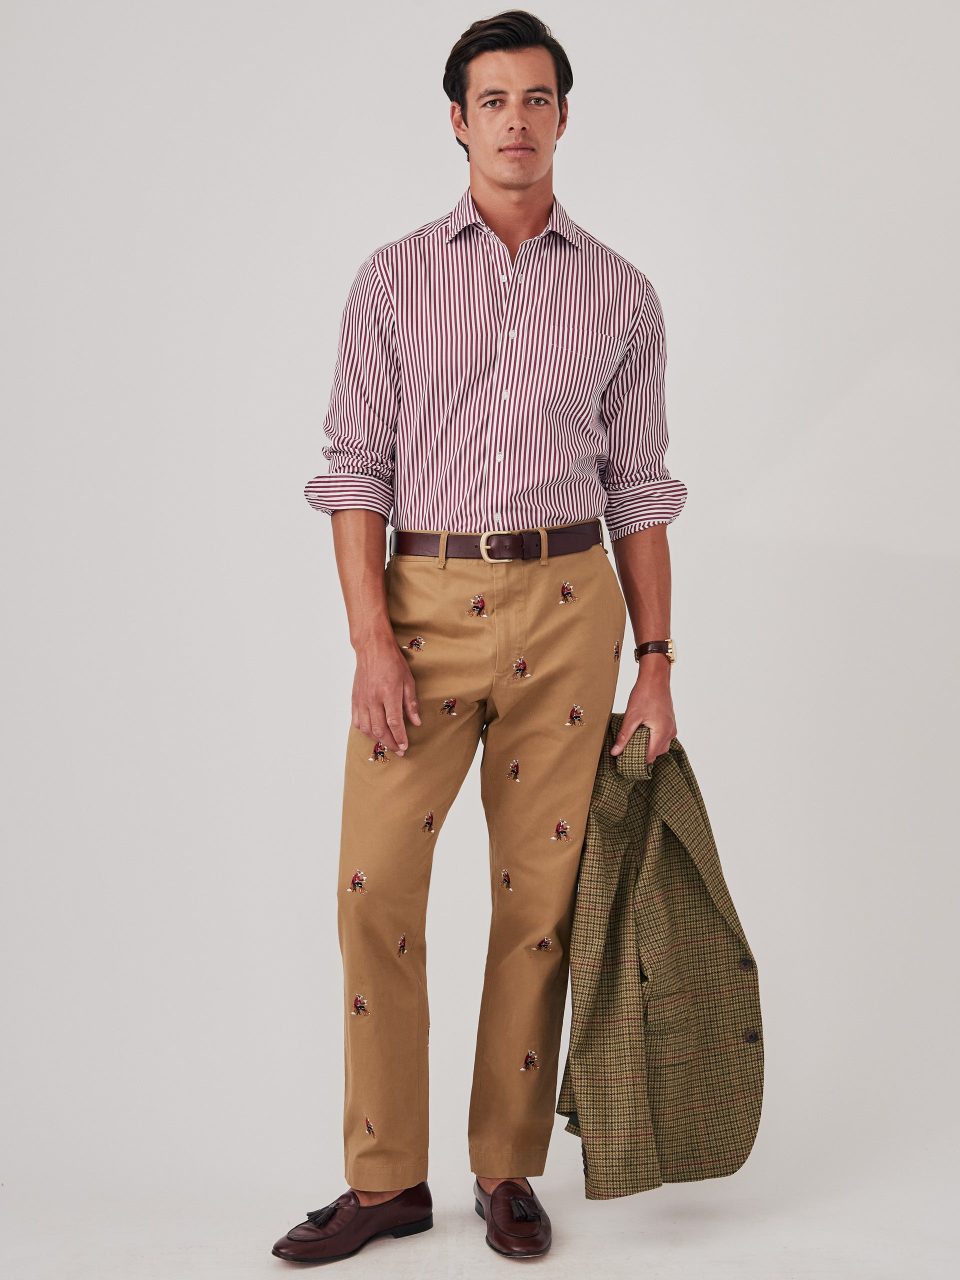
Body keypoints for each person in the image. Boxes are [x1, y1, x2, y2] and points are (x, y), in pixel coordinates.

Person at [272, 9, 687, 1265]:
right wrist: (370, 638)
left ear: (564, 118)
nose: (516, 120)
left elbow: (639, 491)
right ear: (457, 121)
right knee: (372, 889)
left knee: (540, 902)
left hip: (570, 610)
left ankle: (507, 1166)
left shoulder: (621, 293)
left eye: (537, 99)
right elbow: (355, 470)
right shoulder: (392, 280)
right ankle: (385, 1177)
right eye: (493, 100)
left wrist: (656, 665)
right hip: (422, 608)